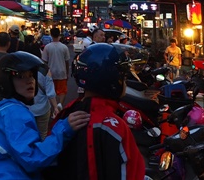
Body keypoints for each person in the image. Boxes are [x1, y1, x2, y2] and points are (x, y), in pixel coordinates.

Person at [0, 52, 90, 179]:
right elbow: (32, 158)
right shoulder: (15, 113)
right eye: (20, 76)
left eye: (31, 75)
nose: (30, 81)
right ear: (6, 81)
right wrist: (65, 128)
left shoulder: (3, 109)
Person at [44, 43, 145, 180]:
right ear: (113, 80)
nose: (125, 83)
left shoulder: (68, 114)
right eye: (124, 78)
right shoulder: (114, 127)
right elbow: (132, 172)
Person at [42, 27, 71, 106]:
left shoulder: (47, 47)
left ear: (51, 35)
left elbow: (44, 61)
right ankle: (60, 104)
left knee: (51, 90)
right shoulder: (64, 47)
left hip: (50, 72)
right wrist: (67, 73)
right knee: (62, 91)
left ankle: (54, 107)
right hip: (62, 72)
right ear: (59, 35)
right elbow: (67, 61)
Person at [31, 66, 59, 140]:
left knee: (28, 135)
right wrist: (55, 107)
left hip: (26, 109)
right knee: (42, 134)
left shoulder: (20, 69)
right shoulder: (44, 70)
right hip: (43, 109)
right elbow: (50, 93)